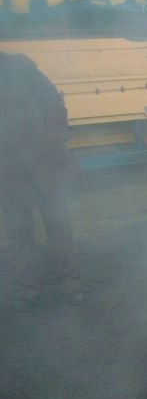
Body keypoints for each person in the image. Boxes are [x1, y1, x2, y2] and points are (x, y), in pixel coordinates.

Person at [0, 52, 83, 312]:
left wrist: (52, 140)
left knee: (58, 225)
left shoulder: (19, 66)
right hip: (8, 171)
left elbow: (54, 102)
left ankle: (70, 282)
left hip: (45, 163)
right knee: (19, 233)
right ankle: (27, 288)